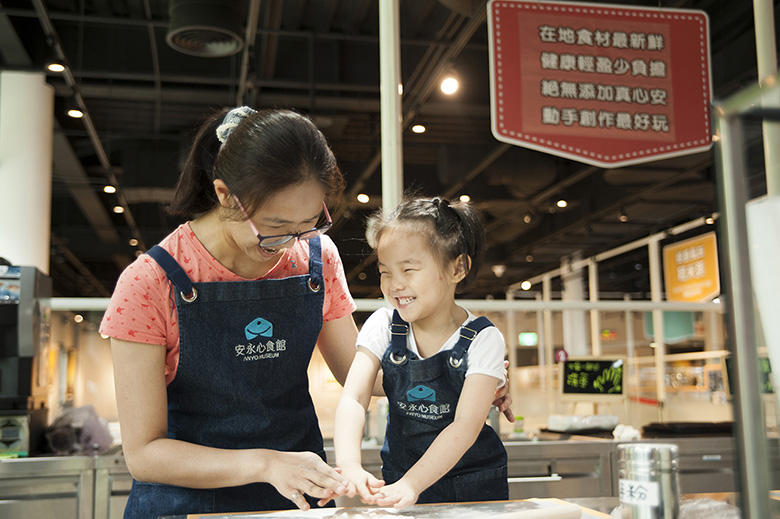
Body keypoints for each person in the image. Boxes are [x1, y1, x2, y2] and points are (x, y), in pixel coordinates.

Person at [101, 106, 358, 517]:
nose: (292, 243)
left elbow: (361, 375)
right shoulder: (151, 282)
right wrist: (265, 463)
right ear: (225, 195)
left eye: (310, 222)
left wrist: (464, 372)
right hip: (182, 504)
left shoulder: (316, 258)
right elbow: (144, 454)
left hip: (291, 503)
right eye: (274, 228)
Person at [333, 196, 509, 509]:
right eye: (385, 272)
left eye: (409, 269)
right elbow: (354, 397)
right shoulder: (384, 324)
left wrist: (413, 483)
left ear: (458, 268)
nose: (394, 285)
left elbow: (465, 426)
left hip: (472, 488)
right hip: (401, 480)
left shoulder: (484, 339)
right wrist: (349, 464)